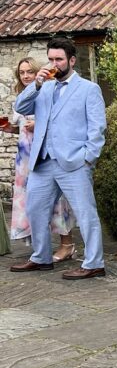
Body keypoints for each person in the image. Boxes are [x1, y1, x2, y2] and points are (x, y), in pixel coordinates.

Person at [10, 36, 107, 280]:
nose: (54, 63)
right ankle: (41, 258)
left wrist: (88, 159)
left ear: (71, 60)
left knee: (86, 213)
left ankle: (94, 263)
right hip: (43, 161)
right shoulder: (44, 87)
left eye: (59, 59)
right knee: (35, 210)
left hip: (74, 163)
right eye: (51, 59)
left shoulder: (88, 89)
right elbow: (20, 107)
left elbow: (97, 129)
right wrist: (38, 84)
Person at [1, 57, 78, 260]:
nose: (26, 76)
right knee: (32, 201)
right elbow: (24, 129)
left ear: (39, 73)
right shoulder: (23, 96)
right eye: (22, 72)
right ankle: (40, 245)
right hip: (25, 157)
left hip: (47, 154)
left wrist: (41, 125)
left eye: (30, 72)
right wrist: (12, 129)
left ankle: (67, 244)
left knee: (58, 200)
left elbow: (63, 122)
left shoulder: (51, 92)